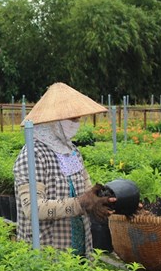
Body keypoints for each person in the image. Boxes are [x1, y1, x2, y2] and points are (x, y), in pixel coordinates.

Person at [13, 82, 115, 257]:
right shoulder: (33, 155)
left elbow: (86, 190)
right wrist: (80, 203)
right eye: (72, 119)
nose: (76, 123)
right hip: (47, 251)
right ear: (53, 121)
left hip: (79, 244)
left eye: (78, 118)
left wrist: (100, 202)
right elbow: (33, 209)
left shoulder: (72, 151)